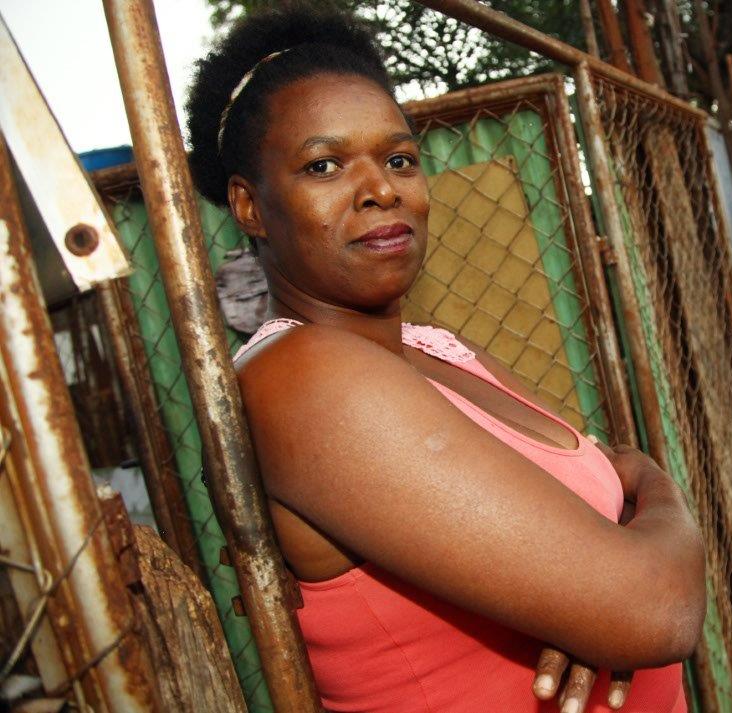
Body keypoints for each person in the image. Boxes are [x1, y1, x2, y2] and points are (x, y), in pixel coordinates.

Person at [185, 6, 705, 712]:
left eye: (399, 158)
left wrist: (596, 586)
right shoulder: (304, 379)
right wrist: (659, 503)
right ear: (249, 206)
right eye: (324, 165)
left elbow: (614, 539)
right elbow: (654, 605)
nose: (381, 189)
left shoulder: (436, 348)